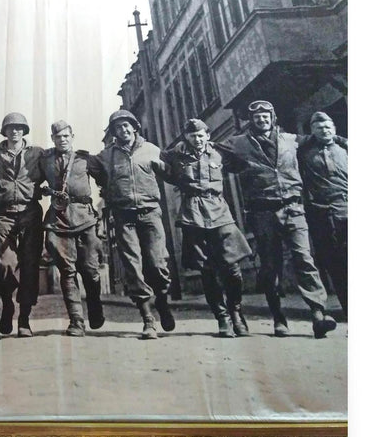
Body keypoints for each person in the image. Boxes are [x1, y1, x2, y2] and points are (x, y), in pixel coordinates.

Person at [216, 100, 336, 338]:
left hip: (293, 207)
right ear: (252, 120)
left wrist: (342, 141)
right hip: (263, 212)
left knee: (305, 259)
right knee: (271, 267)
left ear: (273, 118)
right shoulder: (238, 143)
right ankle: (279, 318)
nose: (262, 120)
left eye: (266, 116)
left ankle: (318, 314)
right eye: (257, 117)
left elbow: (322, 139)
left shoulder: (291, 140)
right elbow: (212, 151)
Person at [160, 119, 253, 337]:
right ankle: (222, 318)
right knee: (207, 270)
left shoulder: (220, 153)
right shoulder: (177, 156)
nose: (197, 140)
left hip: (220, 212)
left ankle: (236, 312)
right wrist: (176, 148)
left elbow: (244, 162)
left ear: (207, 136)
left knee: (233, 269)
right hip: (193, 215)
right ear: (186, 138)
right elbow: (159, 157)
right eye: (192, 136)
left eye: (201, 135)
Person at [89, 109, 175, 340]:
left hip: (150, 214)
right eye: (118, 127)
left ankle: (163, 302)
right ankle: (148, 319)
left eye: (127, 126)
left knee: (158, 264)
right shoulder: (107, 156)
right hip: (124, 217)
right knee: (133, 267)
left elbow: (172, 173)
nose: (123, 130)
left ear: (135, 127)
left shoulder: (151, 150)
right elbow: (88, 168)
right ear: (114, 133)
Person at [38, 120, 104, 336]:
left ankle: (94, 305)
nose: (62, 140)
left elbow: (106, 179)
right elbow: (31, 179)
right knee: (67, 272)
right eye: (58, 137)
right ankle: (76, 320)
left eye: (66, 136)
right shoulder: (45, 160)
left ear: (72, 137)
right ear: (53, 139)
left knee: (91, 269)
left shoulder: (87, 160)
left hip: (85, 218)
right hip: (59, 220)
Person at [0, 112, 44, 337]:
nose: (15, 131)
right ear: (5, 131)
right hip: (4, 214)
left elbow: (55, 169)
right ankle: (7, 304)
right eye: (11, 128)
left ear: (24, 131)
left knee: (29, 264)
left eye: (19, 128)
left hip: (30, 212)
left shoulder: (37, 153)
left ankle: (25, 319)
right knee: (5, 263)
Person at [298, 111, 348, 315]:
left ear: (334, 129)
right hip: (322, 214)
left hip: (348, 208)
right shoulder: (304, 153)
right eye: (319, 128)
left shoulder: (345, 148)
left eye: (328, 127)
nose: (324, 130)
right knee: (334, 263)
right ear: (312, 132)